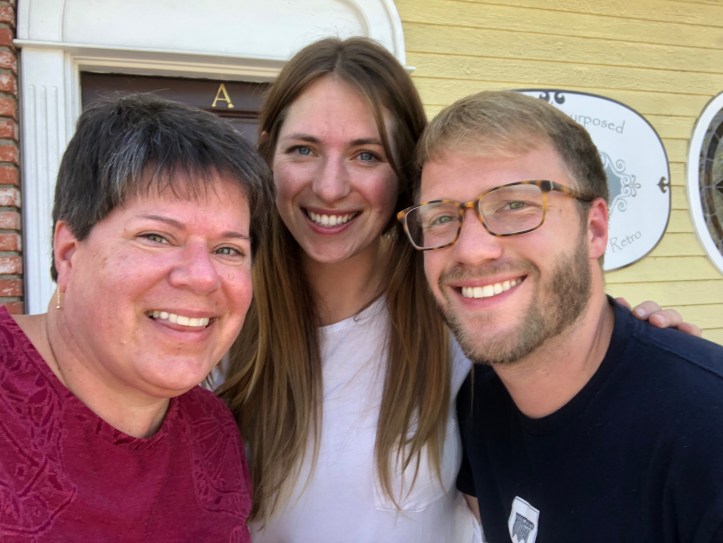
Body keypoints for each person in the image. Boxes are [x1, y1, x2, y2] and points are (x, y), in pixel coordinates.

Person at [217, 38, 696, 542]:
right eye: (303, 150)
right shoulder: (218, 314)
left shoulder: (466, 316)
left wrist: (642, 353)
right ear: (268, 154)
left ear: (406, 177)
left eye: (366, 154)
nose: (330, 186)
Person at [398, 89, 723, 541]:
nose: (471, 250)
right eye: (441, 217)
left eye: (515, 205)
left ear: (595, 230)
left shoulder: (707, 433)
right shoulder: (478, 404)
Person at [0, 93, 274, 541]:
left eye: (228, 249)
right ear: (68, 253)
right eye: (156, 237)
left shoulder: (213, 430)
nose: (202, 277)